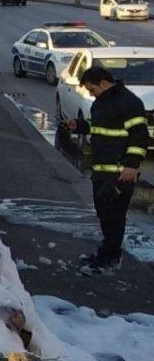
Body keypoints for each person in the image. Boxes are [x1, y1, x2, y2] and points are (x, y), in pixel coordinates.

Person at [61, 66, 147, 274]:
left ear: (104, 83)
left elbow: (139, 136)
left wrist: (131, 166)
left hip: (119, 173)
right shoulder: (101, 102)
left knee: (114, 217)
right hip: (101, 171)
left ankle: (110, 258)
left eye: (92, 89)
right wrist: (79, 125)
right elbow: (96, 127)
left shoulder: (129, 103)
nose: (91, 94)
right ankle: (106, 254)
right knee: (104, 215)